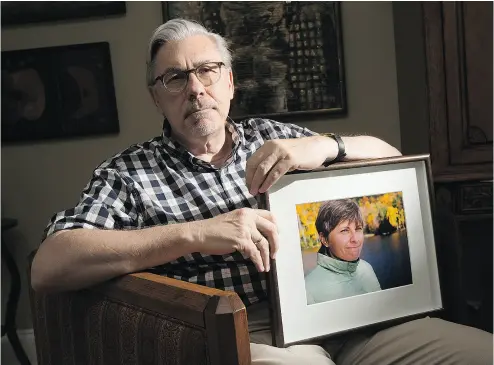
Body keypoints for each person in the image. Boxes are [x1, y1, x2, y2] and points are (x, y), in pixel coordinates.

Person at [31, 19, 492, 365]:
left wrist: (323, 146)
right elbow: (51, 264)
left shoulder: (276, 138)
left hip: (354, 319)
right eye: (175, 78)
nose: (195, 89)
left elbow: (393, 163)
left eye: (207, 71)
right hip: (251, 331)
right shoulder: (129, 173)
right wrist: (197, 233)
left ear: (229, 82)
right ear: (157, 97)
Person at [305, 199, 381, 304]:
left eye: (358, 228)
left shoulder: (367, 268)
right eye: (345, 230)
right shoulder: (308, 290)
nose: (355, 239)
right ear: (324, 239)